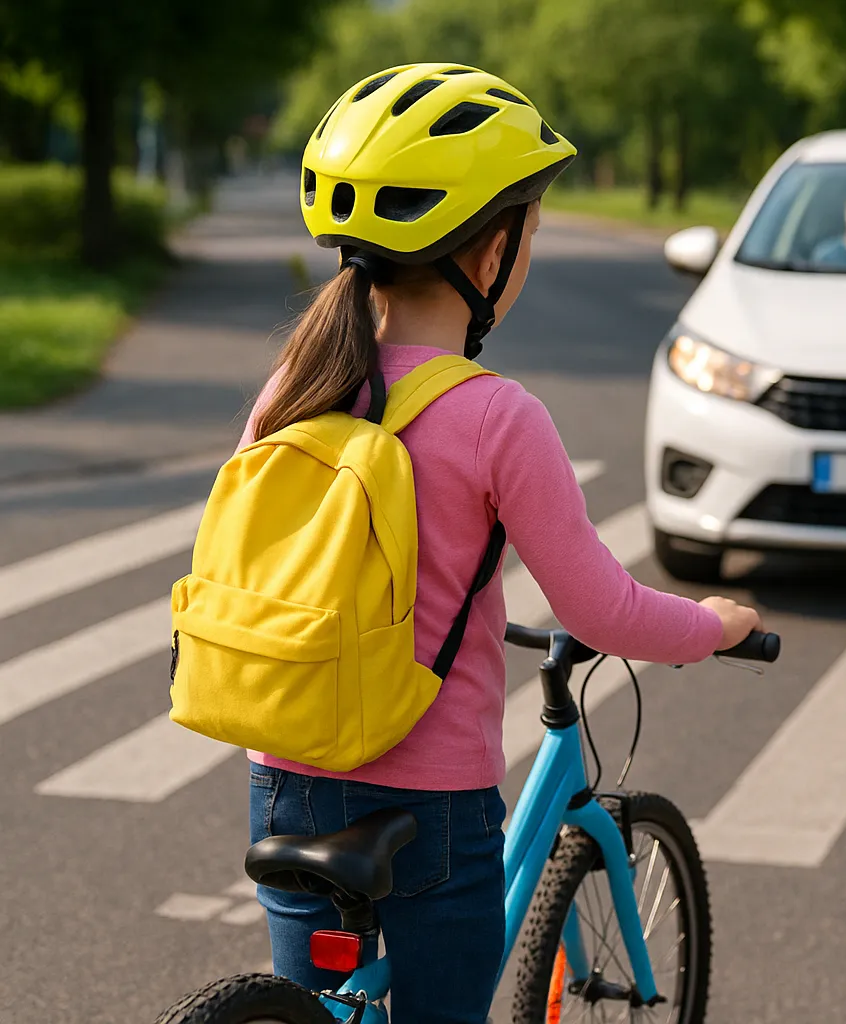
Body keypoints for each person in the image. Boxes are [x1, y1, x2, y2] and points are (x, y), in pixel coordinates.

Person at [245, 64, 760, 1024]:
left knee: (312, 1012)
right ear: (491, 253)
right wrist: (713, 623)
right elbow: (600, 610)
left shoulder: (292, 385)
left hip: (287, 782)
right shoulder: (495, 416)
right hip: (432, 811)